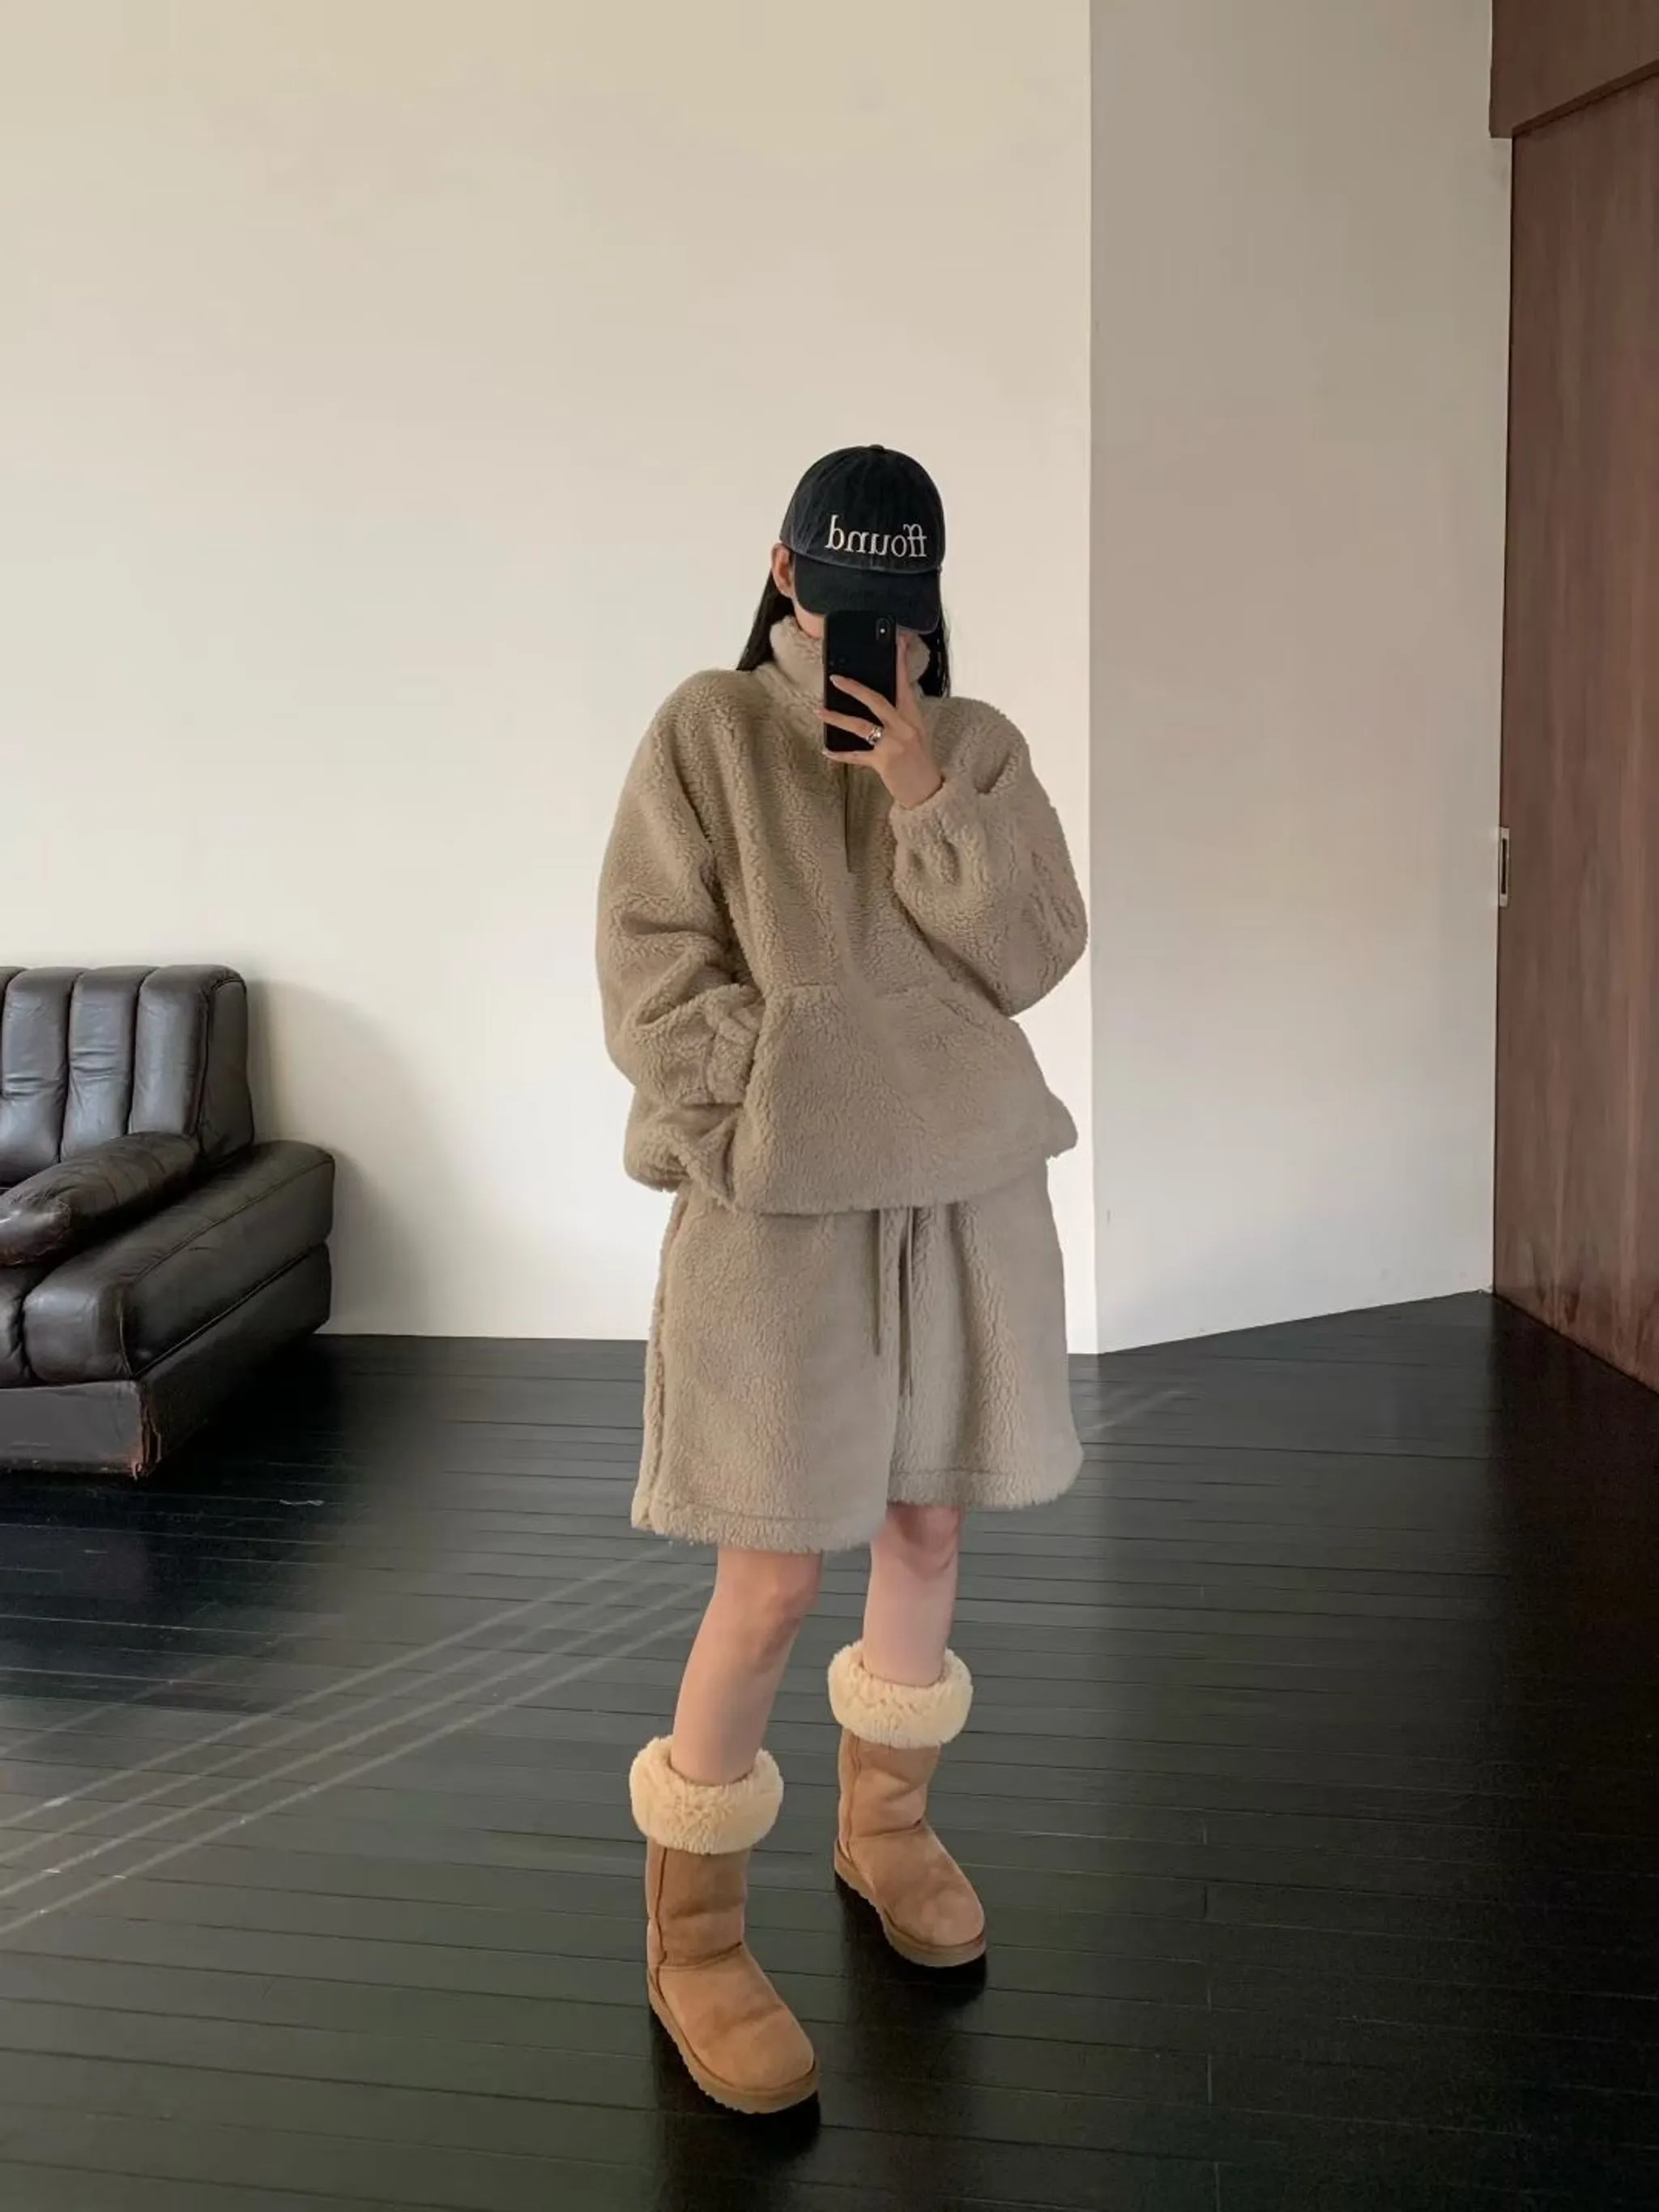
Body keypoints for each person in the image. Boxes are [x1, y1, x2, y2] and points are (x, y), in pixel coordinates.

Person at [595, 445, 1086, 2114]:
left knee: (928, 1526)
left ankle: (888, 1829)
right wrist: (766, 1107)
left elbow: (1034, 952)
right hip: (785, 1213)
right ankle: (694, 1934)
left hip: (960, 1201)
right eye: (843, 592)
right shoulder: (708, 733)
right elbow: (650, 972)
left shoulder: (977, 745)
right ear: (787, 574)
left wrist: (927, 789)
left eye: (901, 601)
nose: (870, 628)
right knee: (770, 1577)